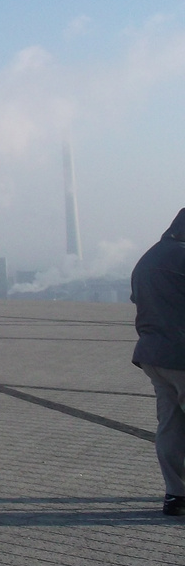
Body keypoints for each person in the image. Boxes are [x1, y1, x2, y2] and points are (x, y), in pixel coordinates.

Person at [131, 208, 185, 515]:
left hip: (153, 357)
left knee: (170, 425)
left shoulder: (148, 258)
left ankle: (176, 495)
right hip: (181, 355)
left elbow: (139, 301)